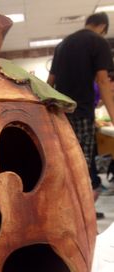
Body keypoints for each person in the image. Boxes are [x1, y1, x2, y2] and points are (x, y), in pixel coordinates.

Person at [47, 12, 114, 218]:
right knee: (81, 165)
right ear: (102, 26)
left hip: (60, 114)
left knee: (64, 163)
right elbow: (103, 82)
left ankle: (66, 212)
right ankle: (82, 215)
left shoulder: (63, 44)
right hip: (82, 112)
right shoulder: (98, 42)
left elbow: (50, 82)